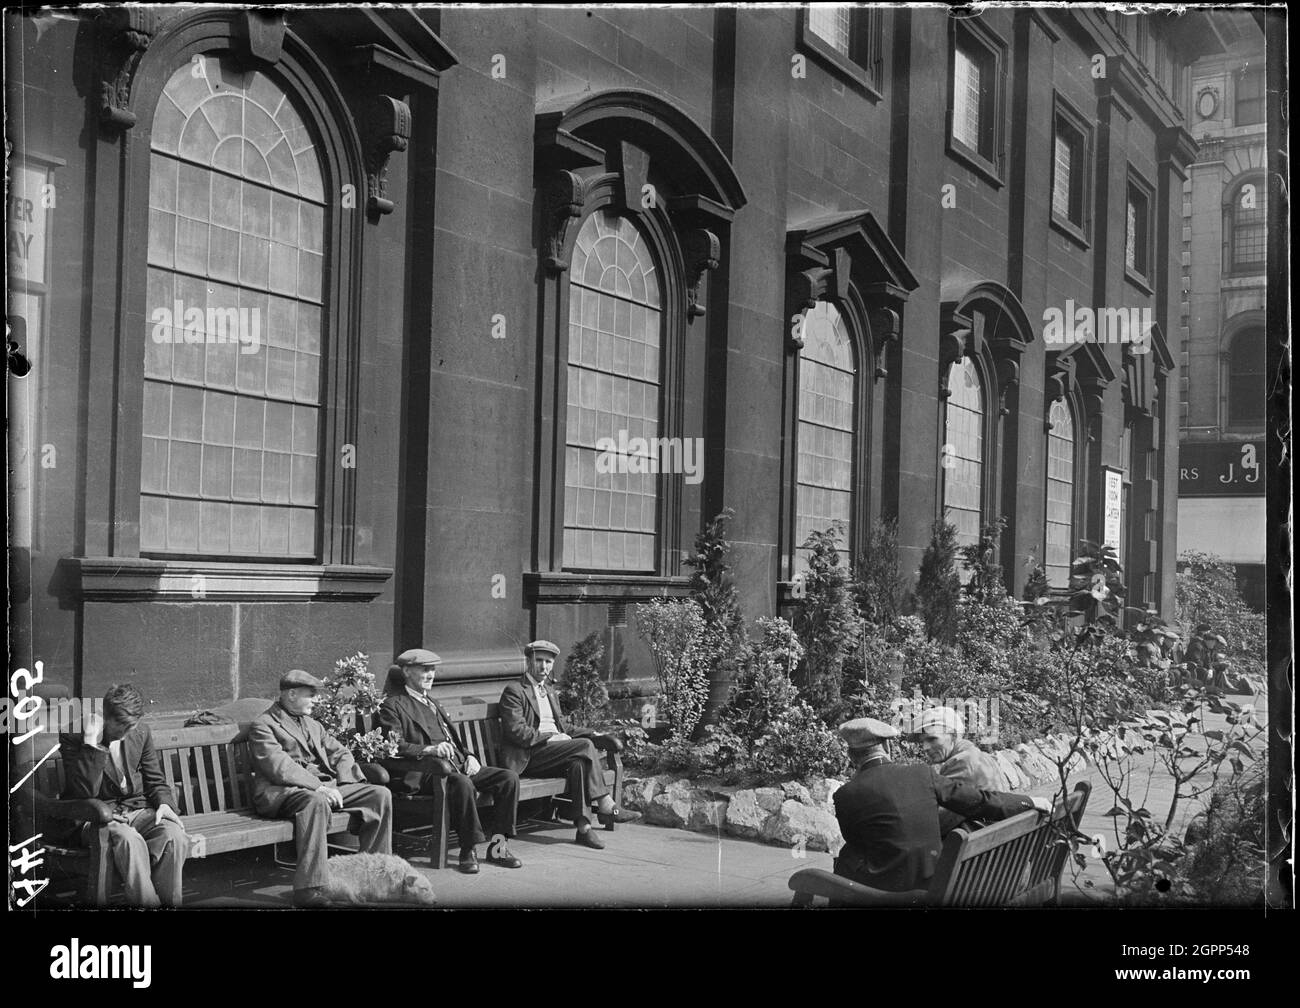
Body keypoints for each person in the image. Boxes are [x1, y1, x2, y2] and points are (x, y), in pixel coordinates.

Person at [831, 717, 1051, 894]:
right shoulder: (921, 773)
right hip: (932, 881)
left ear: (851, 756)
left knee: (843, 860)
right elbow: (981, 801)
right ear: (887, 746)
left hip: (883, 890)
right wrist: (1029, 801)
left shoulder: (844, 795)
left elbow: (859, 845)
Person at [248, 669, 394, 908]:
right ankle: (309, 889)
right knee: (315, 802)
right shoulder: (263, 725)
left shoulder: (312, 725)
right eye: (311, 695)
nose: (316, 701)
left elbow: (341, 753)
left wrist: (345, 784)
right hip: (284, 792)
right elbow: (279, 768)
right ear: (292, 694)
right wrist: (319, 787)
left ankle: (372, 880)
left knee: (379, 795)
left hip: (323, 788)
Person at [377, 648, 523, 874]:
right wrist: (429, 749)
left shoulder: (433, 702)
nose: (430, 675)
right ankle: (468, 848)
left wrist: (470, 756)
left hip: (455, 765)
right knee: (462, 783)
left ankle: (498, 847)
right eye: (424, 669)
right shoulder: (393, 705)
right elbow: (394, 746)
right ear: (406, 671)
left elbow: (453, 740)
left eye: (433, 669)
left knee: (508, 778)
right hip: (426, 773)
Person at [55, 684, 188, 907]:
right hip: (95, 817)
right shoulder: (73, 735)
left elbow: (155, 779)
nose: (128, 733)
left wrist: (165, 805)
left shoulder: (141, 732)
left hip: (136, 811)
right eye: (122, 726)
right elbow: (84, 794)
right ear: (106, 717)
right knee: (129, 839)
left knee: (174, 835)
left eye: (132, 726)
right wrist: (91, 744)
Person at [498, 640, 639, 849]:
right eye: (539, 660)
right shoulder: (515, 690)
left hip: (553, 754)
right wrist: (550, 737)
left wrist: (594, 733)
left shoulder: (549, 690)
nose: (544, 666)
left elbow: (565, 727)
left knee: (579, 765)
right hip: (528, 756)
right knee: (583, 746)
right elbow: (516, 731)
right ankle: (606, 805)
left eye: (548, 662)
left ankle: (584, 830)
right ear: (528, 661)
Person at [916, 705, 1006, 834]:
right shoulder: (980, 756)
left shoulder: (962, 762)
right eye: (922, 742)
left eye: (932, 739)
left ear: (953, 735)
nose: (925, 747)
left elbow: (936, 823)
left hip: (975, 849)